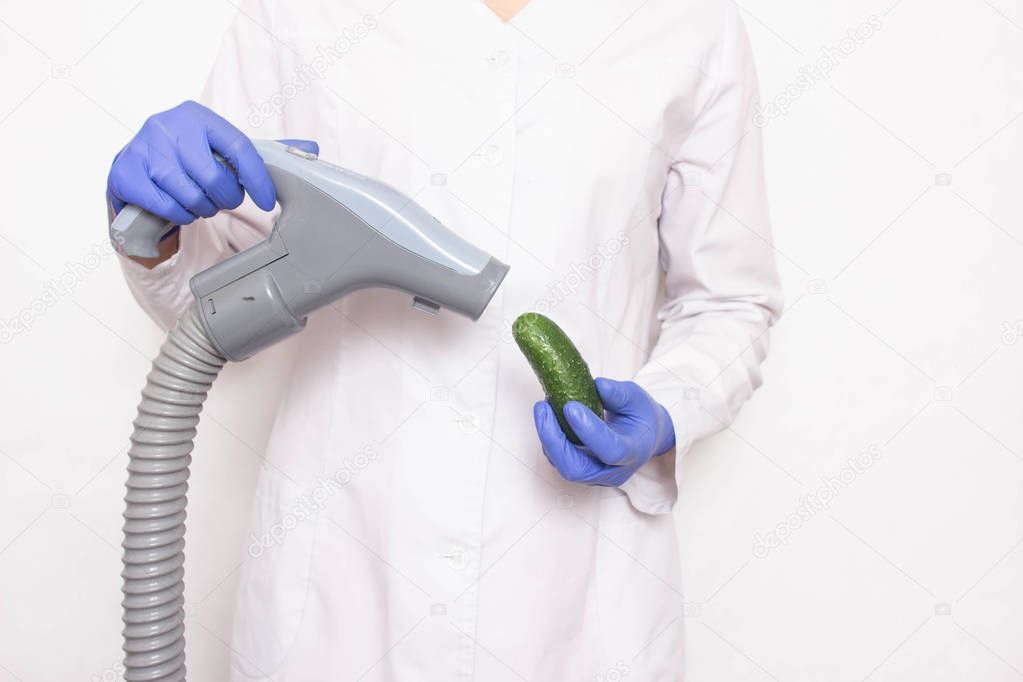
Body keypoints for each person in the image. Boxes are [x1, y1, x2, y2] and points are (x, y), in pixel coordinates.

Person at [107, 0, 782, 679]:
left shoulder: (689, 25)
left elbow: (731, 298)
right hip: (339, 579)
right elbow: (212, 294)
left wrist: (665, 410)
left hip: (577, 605)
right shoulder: (294, 12)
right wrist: (157, 230)